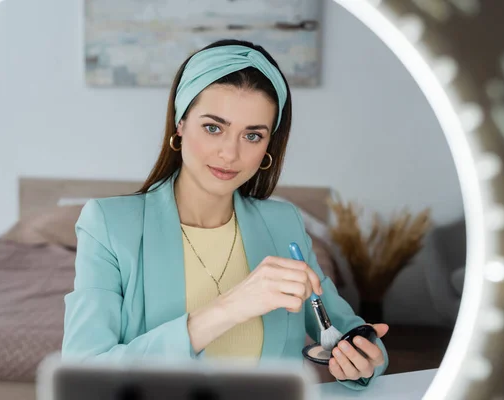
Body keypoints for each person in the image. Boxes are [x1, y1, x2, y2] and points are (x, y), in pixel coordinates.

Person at [62, 39, 389, 390]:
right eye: (213, 127)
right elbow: (85, 377)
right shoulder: (109, 225)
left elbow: (346, 330)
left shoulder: (284, 224)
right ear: (180, 123)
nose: (230, 153)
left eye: (252, 135)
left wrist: (363, 359)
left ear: (268, 147)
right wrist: (230, 307)